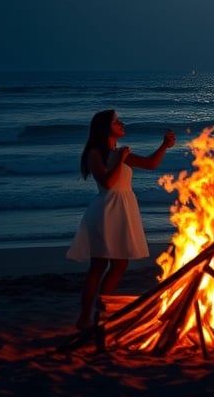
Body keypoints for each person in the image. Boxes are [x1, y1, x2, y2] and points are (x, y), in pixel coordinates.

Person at [67, 109, 176, 330]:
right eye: (118, 122)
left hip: (123, 209)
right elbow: (107, 182)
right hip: (106, 211)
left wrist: (164, 145)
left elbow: (150, 164)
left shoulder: (118, 151)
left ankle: (100, 312)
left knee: (118, 263)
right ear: (106, 127)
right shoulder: (96, 153)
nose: (122, 124)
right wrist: (120, 160)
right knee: (100, 264)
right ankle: (89, 316)